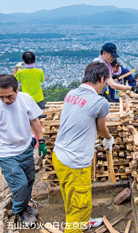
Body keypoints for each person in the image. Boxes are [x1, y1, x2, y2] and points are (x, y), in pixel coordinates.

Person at [52, 62, 115, 233]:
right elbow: (102, 129)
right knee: (80, 205)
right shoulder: (99, 101)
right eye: (106, 81)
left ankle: (83, 222)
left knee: (70, 197)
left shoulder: (71, 93)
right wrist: (108, 139)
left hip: (59, 155)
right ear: (102, 78)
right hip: (75, 162)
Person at [0, 75, 47, 227]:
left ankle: (25, 205)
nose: (6, 100)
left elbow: (34, 120)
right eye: (1, 97)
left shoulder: (25, 99)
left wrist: (41, 140)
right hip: (6, 152)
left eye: (9, 96)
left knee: (29, 179)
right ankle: (20, 210)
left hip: (25, 147)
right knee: (19, 184)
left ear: (17, 90)